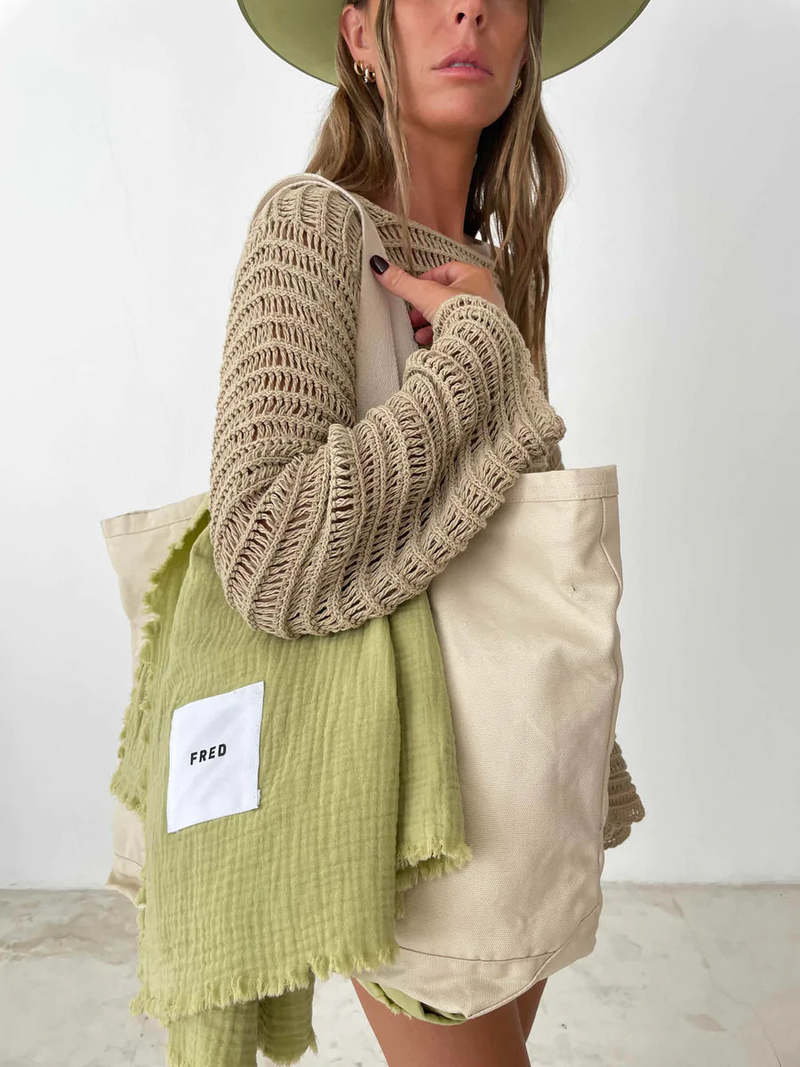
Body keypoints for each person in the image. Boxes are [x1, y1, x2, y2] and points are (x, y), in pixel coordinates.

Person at [209, 0, 649, 1062]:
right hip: (398, 797)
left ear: (525, 39)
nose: (469, 7)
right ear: (362, 35)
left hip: (512, 778)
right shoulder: (312, 227)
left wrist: (578, 762)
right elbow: (264, 554)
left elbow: (500, 548)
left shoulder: (484, 265)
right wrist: (472, 357)